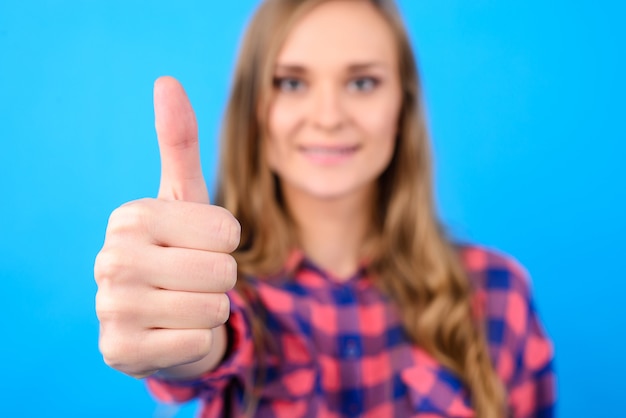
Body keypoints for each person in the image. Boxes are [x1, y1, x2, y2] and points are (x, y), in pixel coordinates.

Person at [94, 0, 555, 416]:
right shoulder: (222, 289)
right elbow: (210, 345)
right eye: (292, 83)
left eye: (362, 82)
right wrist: (173, 324)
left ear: (402, 106)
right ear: (256, 110)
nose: (329, 116)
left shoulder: (496, 293)